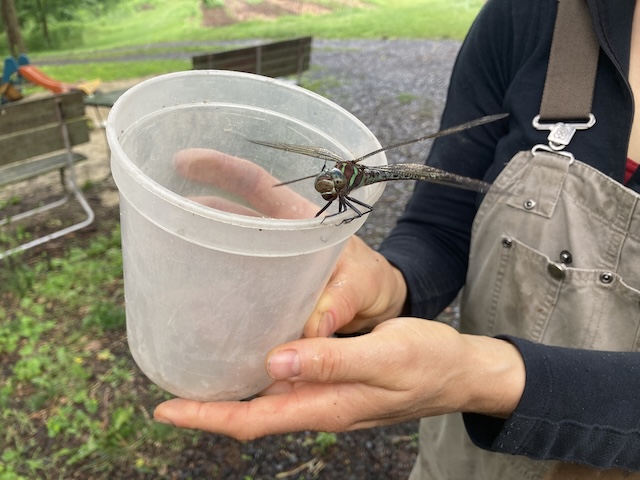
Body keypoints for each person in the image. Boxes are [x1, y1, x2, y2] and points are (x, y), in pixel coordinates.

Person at [153, 0, 640, 477]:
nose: (329, 189)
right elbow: (443, 228)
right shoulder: (528, 15)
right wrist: (389, 283)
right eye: (330, 186)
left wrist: (480, 377)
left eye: (332, 187)